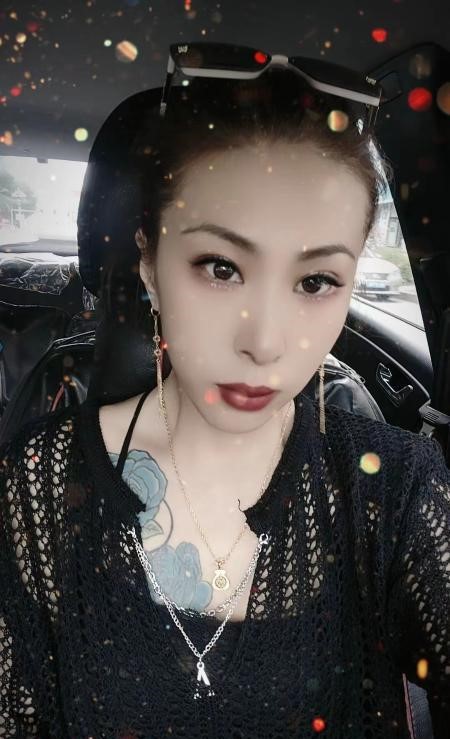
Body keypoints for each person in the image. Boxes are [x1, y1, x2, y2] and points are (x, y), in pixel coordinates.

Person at [0, 45, 449, 739]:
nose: (265, 342)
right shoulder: (35, 487)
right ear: (149, 262)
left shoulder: (398, 490)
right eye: (219, 267)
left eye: (316, 281)